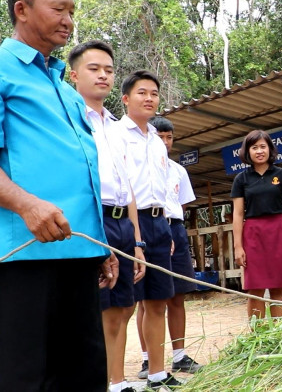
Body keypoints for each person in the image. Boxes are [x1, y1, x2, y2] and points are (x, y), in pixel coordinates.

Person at [0, 0, 116, 391]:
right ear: (22, 10)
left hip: (79, 252)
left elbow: (82, 173)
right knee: (18, 378)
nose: (68, 20)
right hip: (19, 255)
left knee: (83, 374)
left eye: (72, 11)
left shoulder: (66, 89)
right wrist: (26, 205)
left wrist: (101, 242)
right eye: (58, 9)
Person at [68, 40, 147, 392]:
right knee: (95, 309)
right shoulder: (68, 117)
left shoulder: (117, 126)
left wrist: (138, 241)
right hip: (91, 219)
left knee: (124, 307)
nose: (103, 75)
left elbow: (127, 185)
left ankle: (117, 381)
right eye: (93, 68)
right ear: (73, 75)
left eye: (109, 70)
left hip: (121, 223)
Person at [118, 70, 180, 389]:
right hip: (128, 221)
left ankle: (157, 374)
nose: (149, 98)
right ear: (126, 98)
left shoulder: (157, 141)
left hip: (159, 223)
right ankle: (116, 380)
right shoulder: (116, 134)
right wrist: (136, 237)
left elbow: (163, 190)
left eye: (154, 93)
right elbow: (123, 188)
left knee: (158, 301)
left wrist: (166, 229)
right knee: (125, 305)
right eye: (142, 93)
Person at [136, 116, 202, 375]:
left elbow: (181, 203)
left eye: (169, 137)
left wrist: (171, 229)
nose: (165, 141)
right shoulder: (140, 166)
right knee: (147, 299)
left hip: (174, 227)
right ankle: (146, 359)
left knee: (178, 295)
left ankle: (180, 355)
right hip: (148, 226)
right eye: (160, 136)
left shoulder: (178, 170)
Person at [231, 130, 282, 322]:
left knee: (279, 286)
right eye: (254, 147)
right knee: (255, 288)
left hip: (279, 232)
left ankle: (278, 335)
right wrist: (238, 246)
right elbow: (238, 214)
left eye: (263, 146)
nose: (259, 151)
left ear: (270, 149)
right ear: (247, 152)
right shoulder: (241, 179)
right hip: (253, 234)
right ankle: (258, 336)